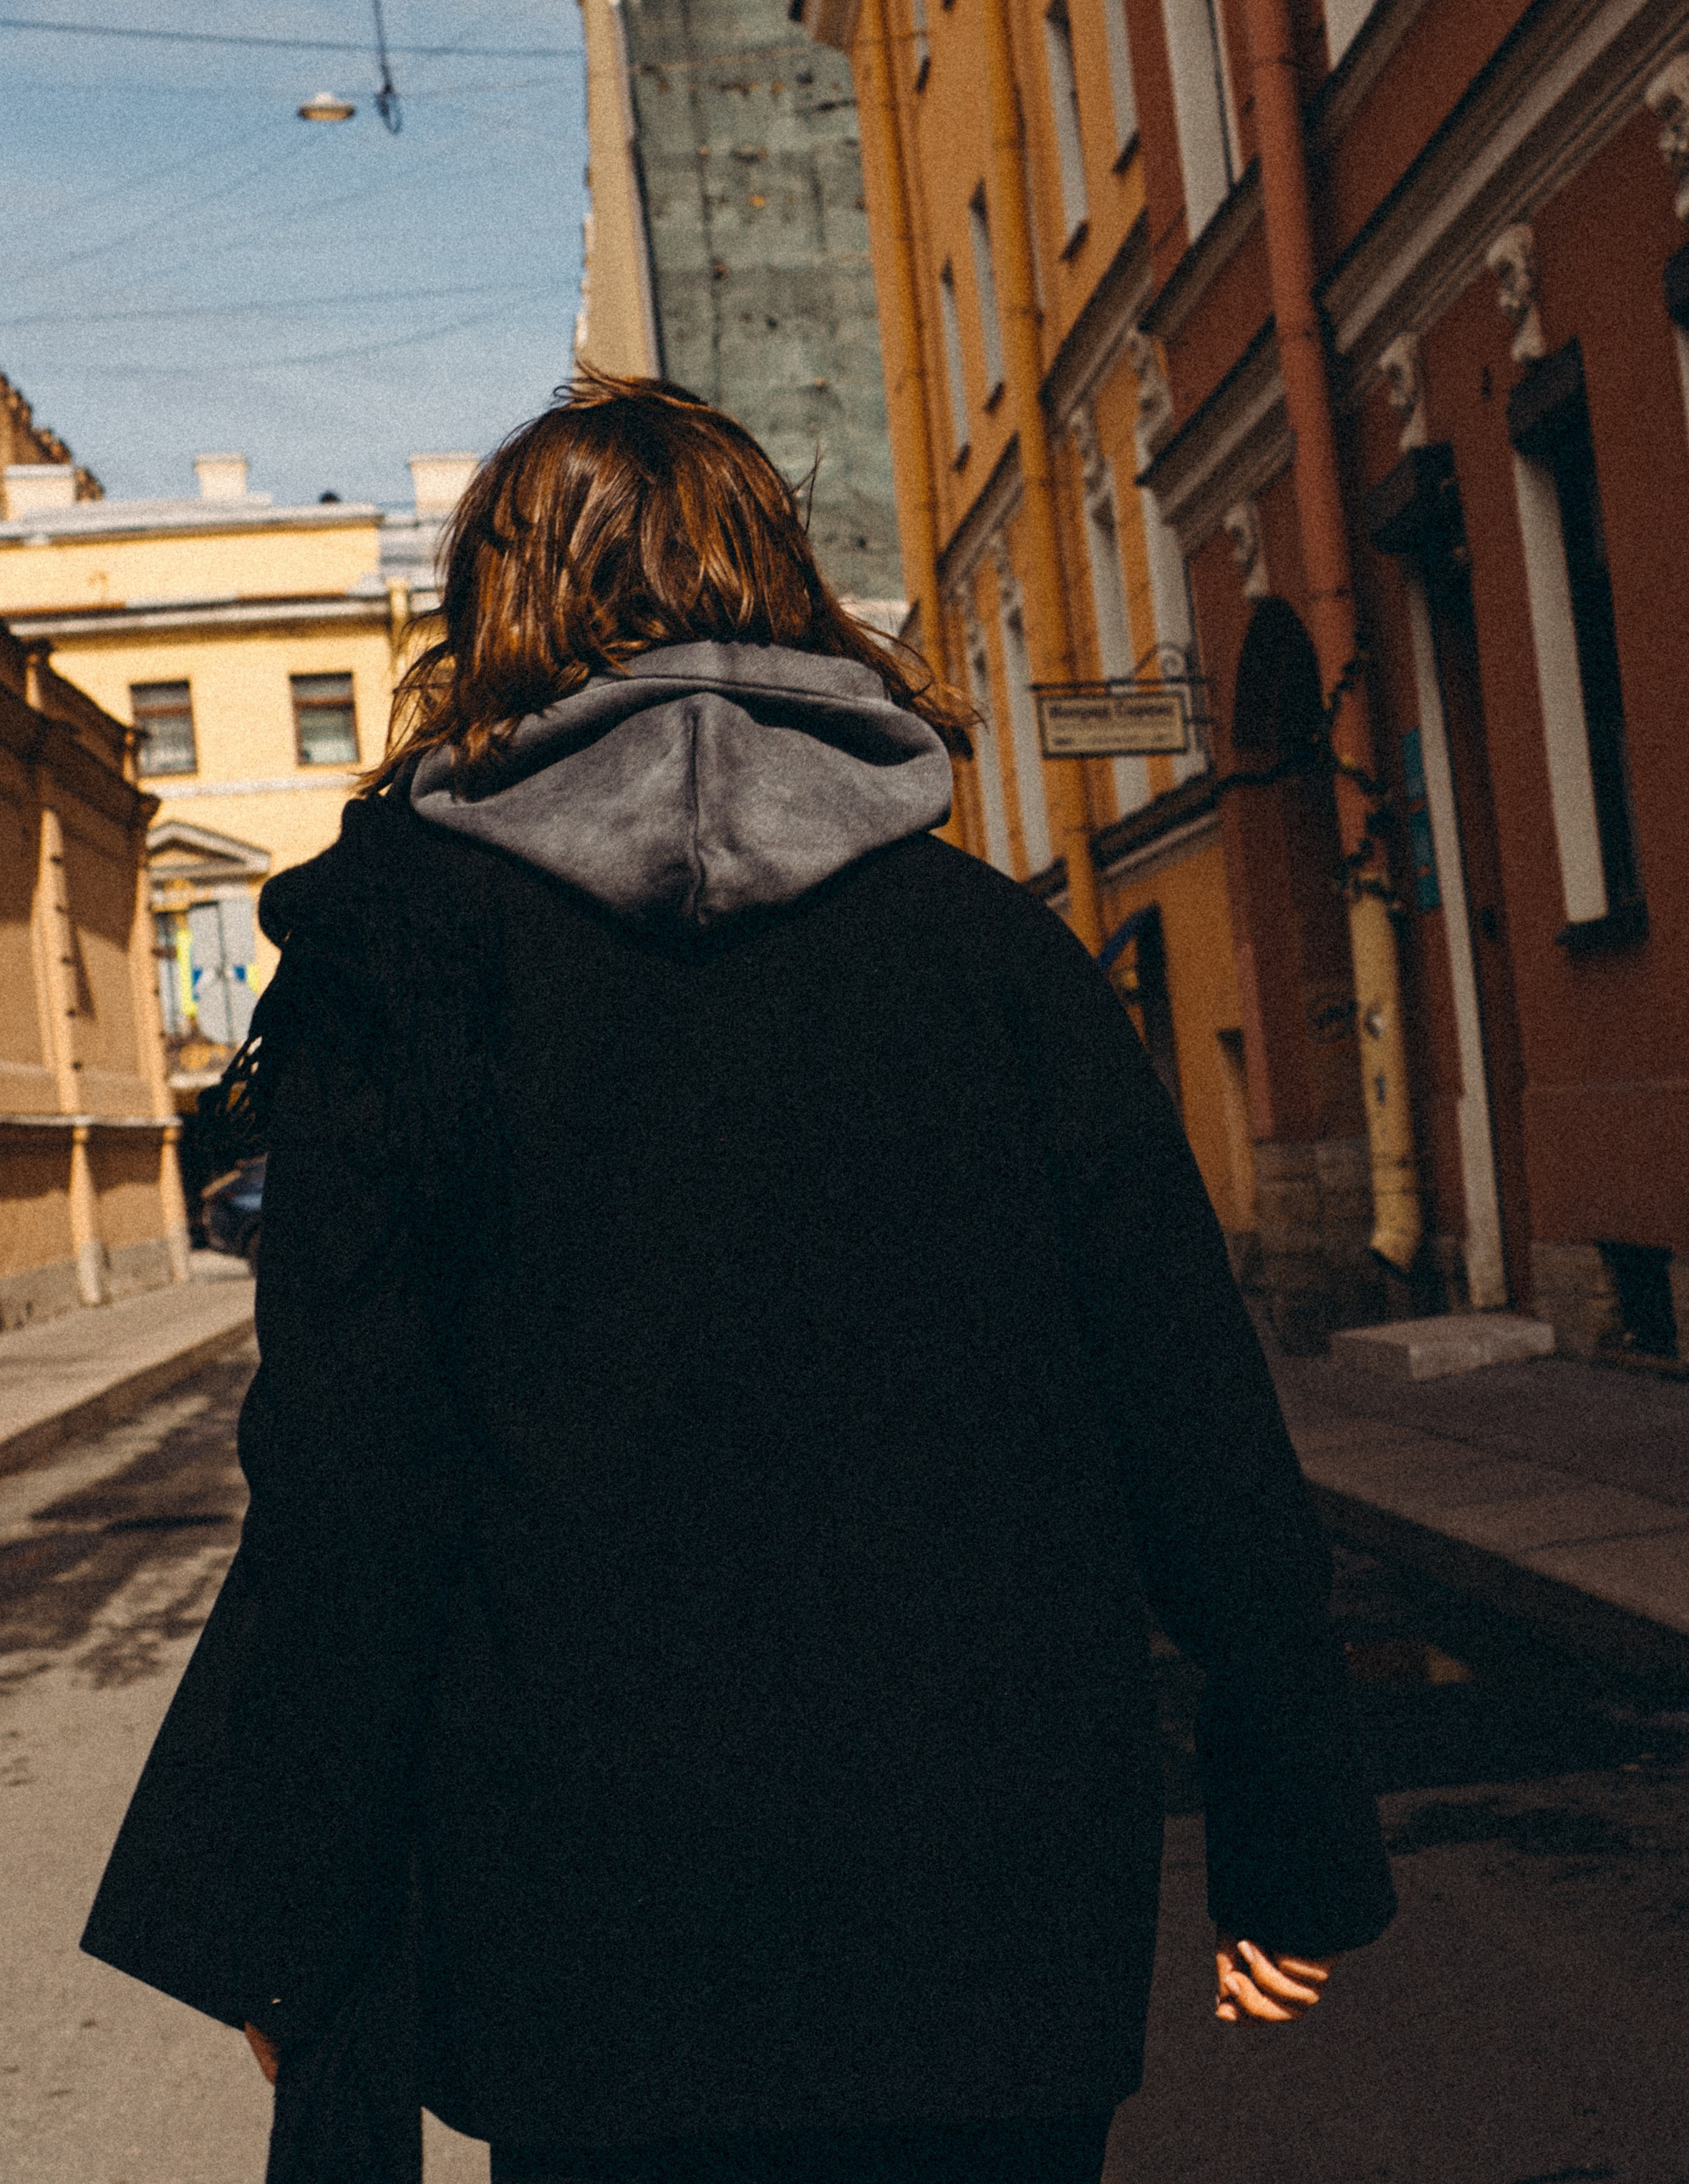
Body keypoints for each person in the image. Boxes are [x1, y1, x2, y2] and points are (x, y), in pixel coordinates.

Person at [82, 372, 1395, 2184]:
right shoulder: (993, 959)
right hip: (988, 1893)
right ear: (786, 589)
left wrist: (295, 1917)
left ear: (498, 619)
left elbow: (344, 1495)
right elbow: (1192, 1416)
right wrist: (1292, 1836)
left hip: (589, 1925)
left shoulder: (408, 967)